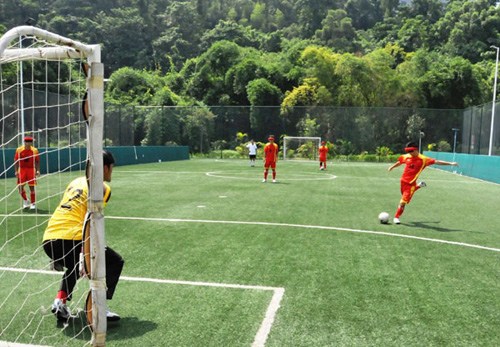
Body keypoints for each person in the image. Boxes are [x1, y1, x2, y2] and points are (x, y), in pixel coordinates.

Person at [42, 150, 124, 321]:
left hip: (49, 238)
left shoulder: (75, 181)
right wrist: (88, 249)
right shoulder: (103, 188)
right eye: (111, 168)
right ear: (105, 168)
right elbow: (91, 220)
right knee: (114, 261)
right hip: (73, 237)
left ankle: (60, 302)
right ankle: (99, 307)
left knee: (74, 265)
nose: (112, 172)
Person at [388, 141, 458, 224]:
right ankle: (419, 185)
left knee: (403, 202)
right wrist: (392, 167)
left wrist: (451, 163)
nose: (409, 153)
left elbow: (437, 161)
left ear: (416, 150)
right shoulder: (406, 157)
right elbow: (400, 162)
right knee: (405, 196)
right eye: (408, 152)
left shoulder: (424, 159)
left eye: (411, 151)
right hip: (403, 182)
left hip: (411, 183)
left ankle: (396, 217)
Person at [14, 136, 40, 210]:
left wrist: (38, 170)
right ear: (24, 142)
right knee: (20, 187)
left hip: (31, 170)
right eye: (26, 142)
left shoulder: (35, 150)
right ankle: (25, 200)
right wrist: (16, 171)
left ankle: (33, 203)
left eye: (29, 142)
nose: (27, 143)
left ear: (31, 143)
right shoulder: (19, 150)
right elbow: (16, 161)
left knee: (31, 187)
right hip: (22, 169)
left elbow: (37, 161)